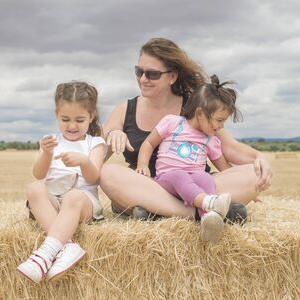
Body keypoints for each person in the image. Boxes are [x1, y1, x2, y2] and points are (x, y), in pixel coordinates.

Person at [100, 37, 272, 223]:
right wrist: (111, 133)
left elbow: (229, 147)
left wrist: (259, 158)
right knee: (108, 174)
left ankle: (159, 212)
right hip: (147, 188)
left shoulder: (195, 106)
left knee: (253, 174)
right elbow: (96, 157)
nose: (143, 79)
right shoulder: (125, 109)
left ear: (172, 77)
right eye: (139, 71)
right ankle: (198, 213)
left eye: (152, 74)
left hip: (196, 184)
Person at [17, 81, 106, 283]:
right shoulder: (51, 141)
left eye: (79, 119)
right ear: (57, 115)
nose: (72, 125)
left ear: (91, 117)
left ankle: (45, 254)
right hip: (55, 201)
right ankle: (68, 246)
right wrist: (47, 153)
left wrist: (83, 161)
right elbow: (38, 174)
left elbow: (94, 178)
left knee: (73, 196)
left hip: (83, 202)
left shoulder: (95, 143)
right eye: (65, 119)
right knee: (34, 189)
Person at [136, 74, 240, 241]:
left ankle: (209, 219)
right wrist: (142, 164)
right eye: (219, 120)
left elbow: (224, 167)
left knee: (206, 178)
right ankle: (208, 203)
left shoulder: (211, 139)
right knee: (180, 175)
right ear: (199, 113)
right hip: (167, 180)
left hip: (194, 183)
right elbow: (148, 144)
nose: (221, 126)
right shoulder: (173, 123)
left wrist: (246, 181)